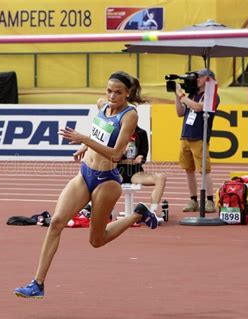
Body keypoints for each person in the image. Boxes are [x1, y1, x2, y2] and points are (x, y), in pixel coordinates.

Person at [14, 71, 158, 299]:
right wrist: (85, 148)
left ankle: (138, 214)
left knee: (96, 240)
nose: (112, 96)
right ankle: (37, 284)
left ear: (127, 93)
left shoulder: (129, 116)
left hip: (107, 182)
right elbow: (100, 132)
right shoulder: (102, 105)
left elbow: (116, 154)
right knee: (56, 222)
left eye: (118, 92)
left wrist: (84, 140)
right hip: (85, 174)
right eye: (109, 90)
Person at [174, 68, 220, 213]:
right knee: (188, 170)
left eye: (199, 77)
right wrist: (177, 96)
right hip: (186, 135)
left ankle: (210, 201)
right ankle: (193, 199)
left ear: (208, 79)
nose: (196, 79)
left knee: (204, 171)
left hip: (200, 136)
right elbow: (180, 112)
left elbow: (199, 108)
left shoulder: (212, 95)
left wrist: (181, 96)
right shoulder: (192, 94)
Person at [116, 125, 167, 222]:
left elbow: (143, 155)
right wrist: (124, 157)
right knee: (99, 175)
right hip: (118, 172)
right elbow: (111, 157)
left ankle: (152, 213)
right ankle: (98, 209)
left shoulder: (141, 133)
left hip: (135, 173)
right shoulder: (116, 132)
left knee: (161, 177)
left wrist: (141, 157)